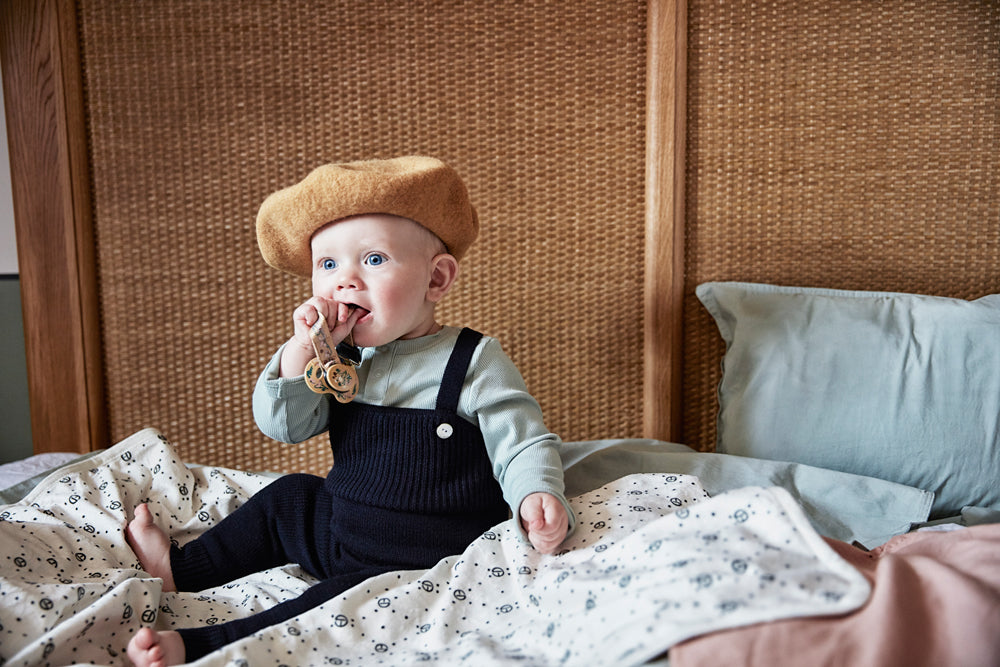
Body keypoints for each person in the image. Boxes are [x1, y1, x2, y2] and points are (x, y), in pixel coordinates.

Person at [125, 156, 575, 667]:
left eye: (374, 259)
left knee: (337, 604)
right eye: (328, 265)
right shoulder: (335, 357)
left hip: (422, 555)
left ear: (436, 279)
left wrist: (536, 493)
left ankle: (201, 645)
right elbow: (284, 426)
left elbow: (522, 440)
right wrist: (302, 351)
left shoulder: (472, 360)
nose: (345, 281)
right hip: (341, 527)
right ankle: (182, 570)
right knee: (291, 497)